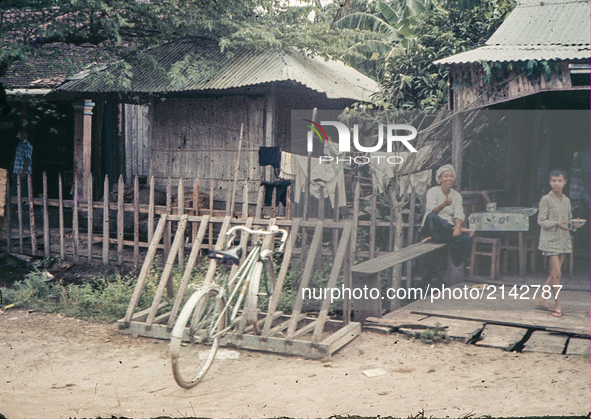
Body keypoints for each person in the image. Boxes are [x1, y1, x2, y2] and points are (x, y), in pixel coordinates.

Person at [420, 164, 474, 267]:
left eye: (451, 176)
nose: (449, 178)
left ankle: (435, 238)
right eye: (446, 176)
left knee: (465, 239)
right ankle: (458, 231)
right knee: (432, 216)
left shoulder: (456, 195)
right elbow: (432, 211)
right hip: (432, 227)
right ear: (440, 179)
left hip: (447, 230)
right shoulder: (432, 192)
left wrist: (458, 227)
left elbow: (458, 214)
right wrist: (444, 204)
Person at [536, 169, 572, 318]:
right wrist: (556, 224)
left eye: (559, 181)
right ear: (550, 182)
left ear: (565, 182)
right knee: (557, 273)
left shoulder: (567, 200)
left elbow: (569, 219)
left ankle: (541, 299)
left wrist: (573, 225)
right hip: (550, 240)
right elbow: (541, 221)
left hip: (563, 239)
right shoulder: (546, 199)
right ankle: (558, 305)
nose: (556, 184)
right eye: (554, 181)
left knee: (554, 273)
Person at [11, 130, 32, 199]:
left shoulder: (27, 145)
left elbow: (27, 159)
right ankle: (14, 207)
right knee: (14, 190)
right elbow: (16, 159)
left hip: (23, 172)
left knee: (24, 191)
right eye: (20, 135)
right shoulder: (19, 145)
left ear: (26, 135)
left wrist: (23, 172)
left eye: (23, 134)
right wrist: (13, 171)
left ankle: (25, 209)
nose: (21, 136)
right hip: (16, 171)